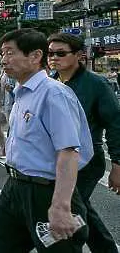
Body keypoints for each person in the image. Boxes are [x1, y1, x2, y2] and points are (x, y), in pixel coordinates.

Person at [0, 29, 94, 253]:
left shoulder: (54, 94)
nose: (4, 60)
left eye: (10, 53)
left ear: (35, 56)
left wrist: (61, 206)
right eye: (2, 54)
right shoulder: (21, 92)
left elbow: (69, 151)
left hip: (44, 191)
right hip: (15, 187)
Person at [47, 33, 119, 252]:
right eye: (51, 53)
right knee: (80, 208)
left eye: (61, 53)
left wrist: (117, 164)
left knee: (70, 209)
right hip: (59, 159)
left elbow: (115, 123)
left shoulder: (96, 84)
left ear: (79, 56)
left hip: (87, 159)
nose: (54, 58)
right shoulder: (50, 82)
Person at [0, 69, 15, 158]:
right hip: (2, 105)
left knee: (13, 131)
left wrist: (11, 90)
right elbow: (0, 87)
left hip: (11, 105)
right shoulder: (3, 70)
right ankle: (3, 147)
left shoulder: (15, 69)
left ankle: (9, 152)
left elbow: (18, 90)